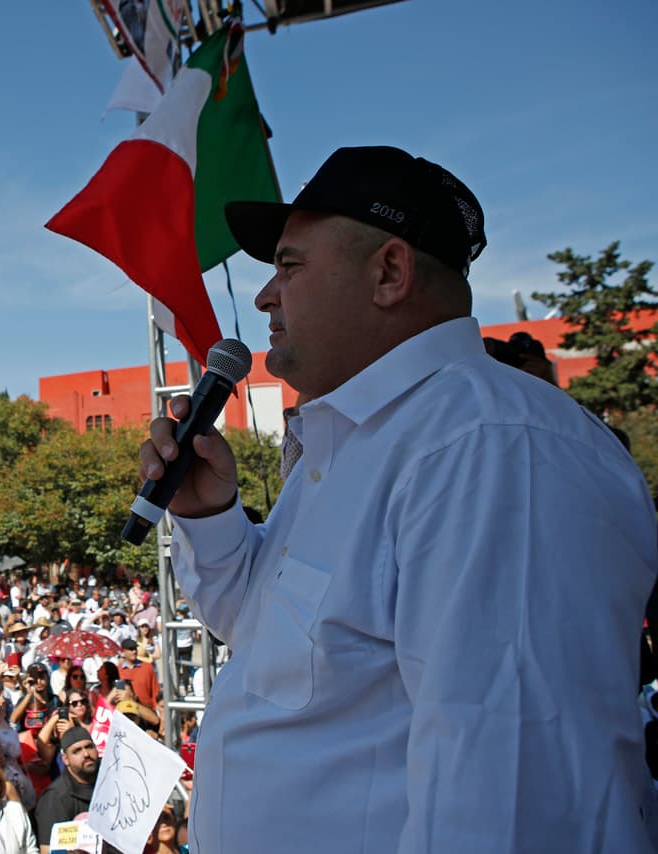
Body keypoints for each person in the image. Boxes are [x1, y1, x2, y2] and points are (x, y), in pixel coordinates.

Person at [141, 145, 658, 851]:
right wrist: (209, 516)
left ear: (388, 272)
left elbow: (509, 807)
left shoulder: (492, 449)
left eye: (289, 266)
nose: (265, 296)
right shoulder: (359, 441)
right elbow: (273, 645)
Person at [31, 727, 98, 853]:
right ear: (65, 760)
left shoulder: (109, 779)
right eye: (77, 751)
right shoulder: (54, 798)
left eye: (89, 747)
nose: (86, 754)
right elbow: (48, 850)